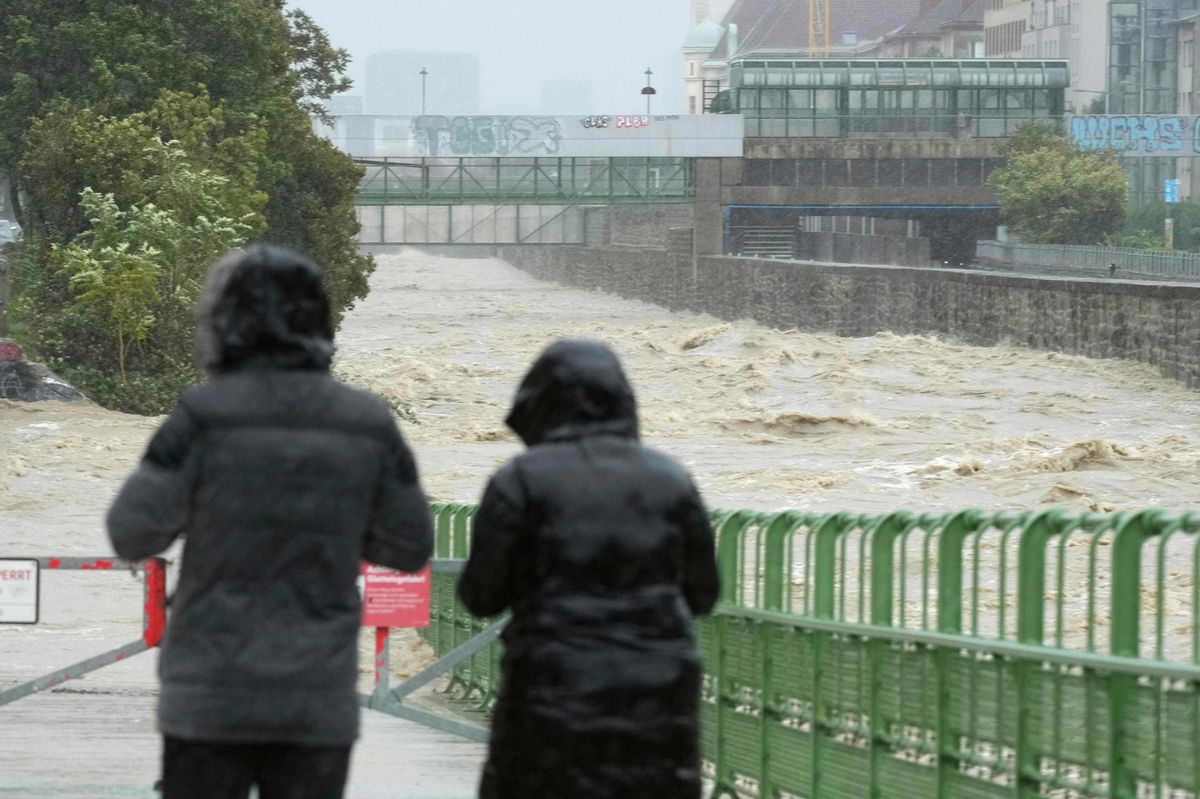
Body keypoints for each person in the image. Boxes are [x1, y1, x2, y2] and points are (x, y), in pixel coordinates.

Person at [107, 245, 433, 799]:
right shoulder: (367, 422)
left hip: (209, 696)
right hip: (315, 698)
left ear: (224, 322)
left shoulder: (203, 416)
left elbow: (133, 531)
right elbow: (410, 545)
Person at [458, 339, 720, 799]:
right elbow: (703, 593)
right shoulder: (671, 479)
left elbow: (481, 595)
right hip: (656, 692)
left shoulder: (519, 480)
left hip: (550, 687)